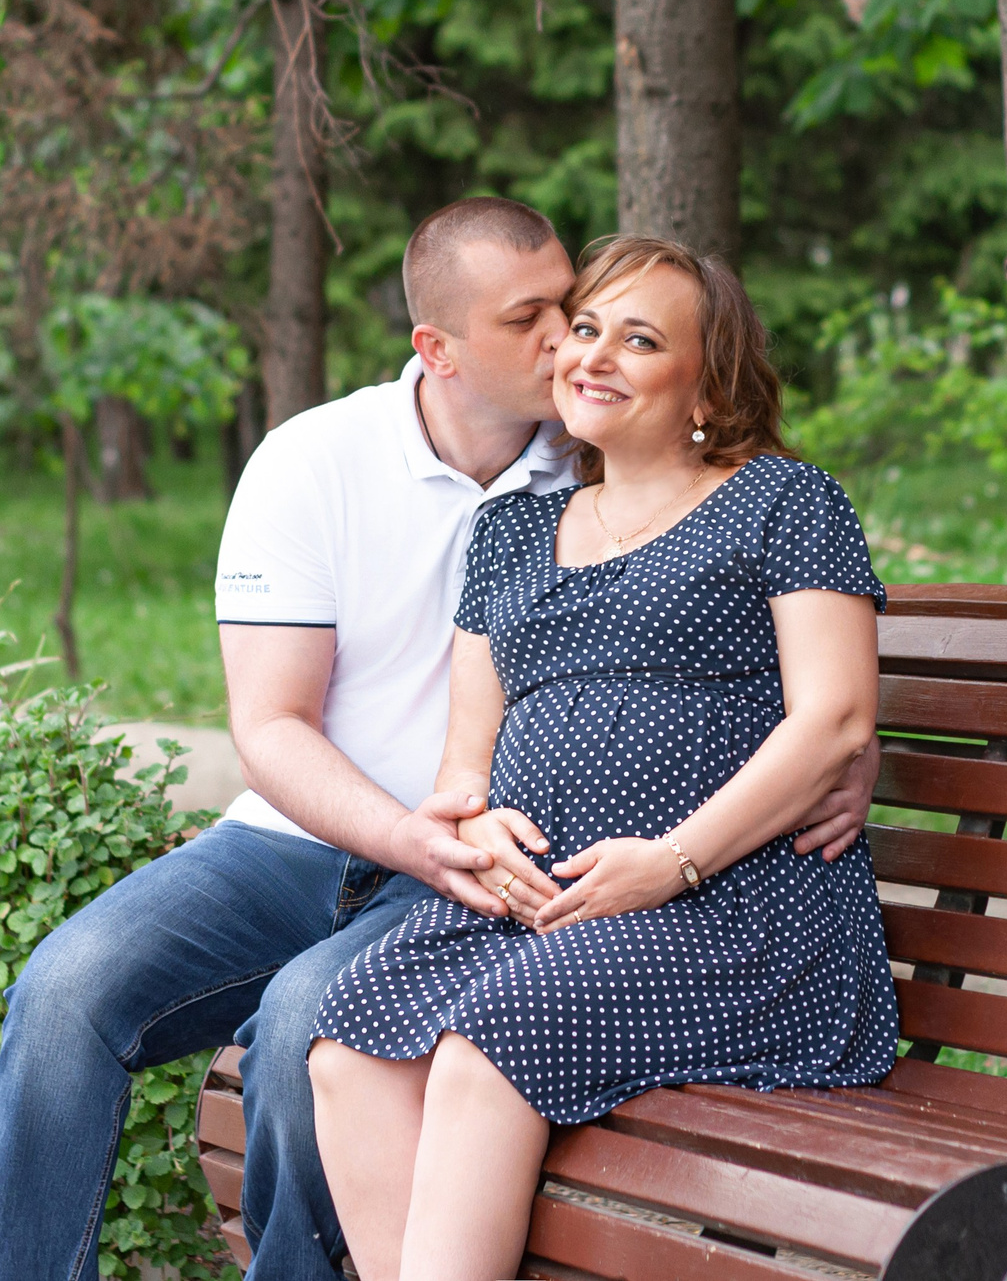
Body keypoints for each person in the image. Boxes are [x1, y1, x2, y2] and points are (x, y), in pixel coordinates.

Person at [0, 198, 879, 1281]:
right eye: (542, 321)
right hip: (340, 841)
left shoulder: (630, 457)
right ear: (438, 350)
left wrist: (833, 759)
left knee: (310, 1022)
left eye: (582, 314)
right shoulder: (322, 462)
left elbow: (811, 688)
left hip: (542, 878)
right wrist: (431, 830)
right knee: (70, 989)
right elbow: (272, 723)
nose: (569, 344)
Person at [307, 235, 901, 1281]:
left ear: (707, 384)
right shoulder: (511, 531)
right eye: (585, 329)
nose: (594, 355)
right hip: (539, 907)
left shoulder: (784, 501)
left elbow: (837, 719)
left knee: (484, 1045)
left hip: (733, 909)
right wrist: (477, 825)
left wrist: (670, 862)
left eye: (640, 339)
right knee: (349, 1042)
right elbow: (465, 759)